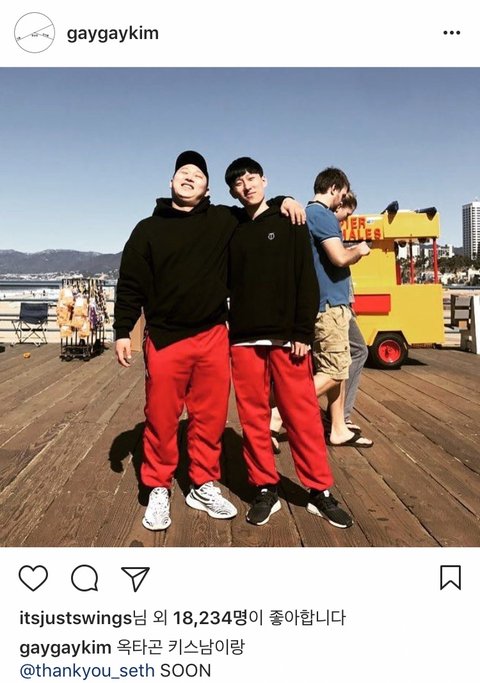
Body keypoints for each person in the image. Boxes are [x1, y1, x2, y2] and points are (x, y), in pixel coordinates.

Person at [114, 150, 303, 532]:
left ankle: (201, 483)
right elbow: (130, 284)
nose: (189, 178)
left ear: (207, 189)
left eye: (197, 175)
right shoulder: (147, 230)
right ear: (171, 182)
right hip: (165, 338)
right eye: (183, 172)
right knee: (161, 418)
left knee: (210, 418)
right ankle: (158, 486)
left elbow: (255, 206)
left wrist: (285, 200)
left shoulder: (222, 219)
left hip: (213, 335)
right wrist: (122, 330)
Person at [225, 156, 353, 528]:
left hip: (287, 338)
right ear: (233, 191)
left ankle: (319, 491)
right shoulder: (231, 225)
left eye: (252, 178)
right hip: (243, 338)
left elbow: (305, 278)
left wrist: (302, 332)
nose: (247, 185)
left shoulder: (290, 220)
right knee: (253, 417)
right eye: (238, 182)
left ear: (264, 180)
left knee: (302, 415)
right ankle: (265, 487)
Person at [270, 168, 371, 448]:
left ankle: (338, 427)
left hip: (327, 303)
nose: (343, 200)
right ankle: (276, 415)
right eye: (343, 194)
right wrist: (359, 251)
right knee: (336, 371)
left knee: (338, 364)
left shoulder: (310, 214)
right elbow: (339, 258)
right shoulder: (322, 215)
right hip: (329, 306)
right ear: (334, 189)